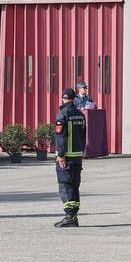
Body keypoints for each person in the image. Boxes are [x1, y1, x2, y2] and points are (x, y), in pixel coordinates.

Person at [54, 87, 87, 228]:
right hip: (77, 156)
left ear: (62, 98)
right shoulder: (80, 114)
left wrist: (60, 155)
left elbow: (61, 137)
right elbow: (84, 135)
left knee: (65, 185)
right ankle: (74, 215)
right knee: (74, 185)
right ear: (74, 98)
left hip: (66, 157)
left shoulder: (62, 114)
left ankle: (70, 216)